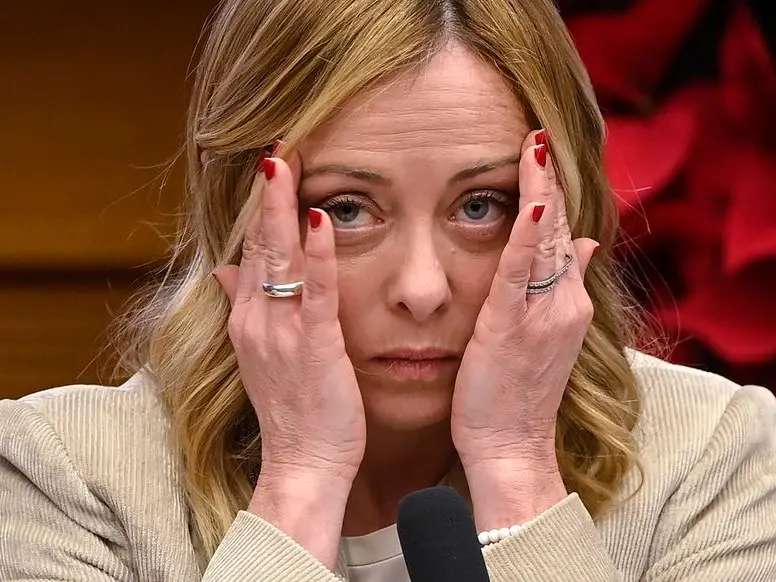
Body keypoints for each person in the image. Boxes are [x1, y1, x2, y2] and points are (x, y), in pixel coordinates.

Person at [1, 0, 775, 580]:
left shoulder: (716, 459)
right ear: (241, 209)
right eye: (346, 209)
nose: (421, 289)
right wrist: (300, 484)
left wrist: (517, 475)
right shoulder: (65, 476)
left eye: (481, 205)